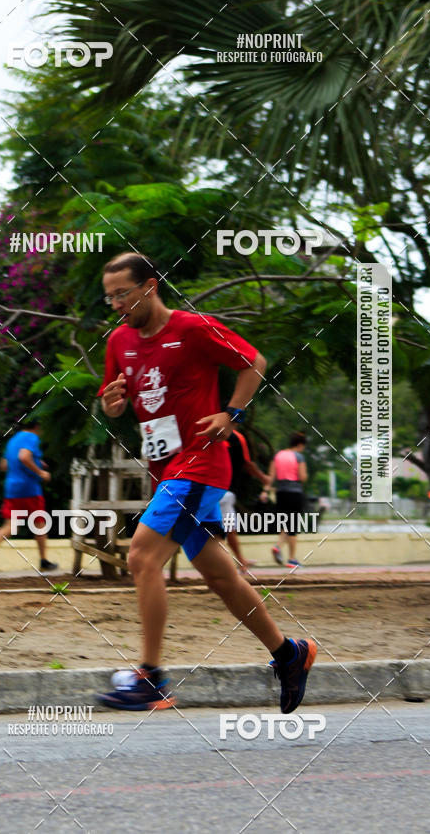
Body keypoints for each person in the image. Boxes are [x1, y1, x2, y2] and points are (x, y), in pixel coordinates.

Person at [96, 252, 316, 712]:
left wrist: (232, 414)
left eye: (122, 294)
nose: (115, 304)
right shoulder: (119, 340)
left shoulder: (193, 329)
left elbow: (253, 361)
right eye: (109, 296)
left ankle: (150, 677)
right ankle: (288, 654)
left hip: (199, 464)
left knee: (141, 556)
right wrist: (111, 404)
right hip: (165, 468)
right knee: (219, 576)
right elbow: (115, 400)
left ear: (149, 287)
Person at [0, 420, 58, 573]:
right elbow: (24, 457)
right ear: (37, 426)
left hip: (12, 488)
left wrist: (36, 462)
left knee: (12, 524)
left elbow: (4, 465)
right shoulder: (31, 437)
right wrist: (40, 472)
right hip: (29, 488)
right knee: (39, 522)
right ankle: (43, 560)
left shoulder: (13, 440)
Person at [221, 429, 271, 573]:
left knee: (219, 529)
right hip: (223, 491)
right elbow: (247, 464)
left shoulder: (204, 431)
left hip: (204, 488)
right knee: (229, 529)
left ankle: (240, 561)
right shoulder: (236, 436)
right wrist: (263, 478)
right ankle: (237, 563)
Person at [270, 432, 308, 568]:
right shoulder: (299, 456)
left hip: (280, 493)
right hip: (294, 493)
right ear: (300, 444)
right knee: (293, 526)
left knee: (286, 523)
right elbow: (302, 477)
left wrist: (265, 490)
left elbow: (271, 476)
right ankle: (292, 559)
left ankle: (278, 546)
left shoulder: (278, 455)